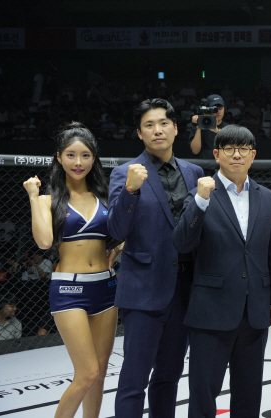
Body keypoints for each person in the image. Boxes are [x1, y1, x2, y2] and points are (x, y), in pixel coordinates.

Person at [172, 124, 271, 418]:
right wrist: (200, 201)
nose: (237, 155)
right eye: (229, 149)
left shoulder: (268, 197)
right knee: (203, 392)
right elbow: (182, 242)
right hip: (211, 311)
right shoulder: (200, 193)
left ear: (252, 155)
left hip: (255, 310)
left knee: (249, 393)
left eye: (243, 149)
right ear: (216, 154)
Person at [108, 98, 204, 418]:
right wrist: (131, 192)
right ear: (139, 133)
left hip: (185, 289)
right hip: (144, 290)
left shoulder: (194, 173)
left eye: (163, 123)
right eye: (149, 125)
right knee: (133, 381)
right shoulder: (125, 173)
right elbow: (117, 231)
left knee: (169, 378)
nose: (157, 129)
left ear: (176, 129)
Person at [23, 123, 119, 417]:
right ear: (59, 157)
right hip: (69, 289)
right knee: (87, 373)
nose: (78, 163)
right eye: (71, 155)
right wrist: (32, 195)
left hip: (107, 287)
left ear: (94, 158)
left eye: (85, 155)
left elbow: (123, 229)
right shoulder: (47, 199)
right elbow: (43, 242)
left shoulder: (105, 195)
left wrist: (119, 247)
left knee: (100, 374)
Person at [189, 94, 230, 159]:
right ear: (208, 109)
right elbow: (195, 151)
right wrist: (199, 126)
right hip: (204, 165)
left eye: (221, 108)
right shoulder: (198, 127)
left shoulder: (229, 128)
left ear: (224, 109)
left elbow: (233, 148)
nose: (218, 111)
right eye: (215, 109)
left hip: (222, 165)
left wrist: (218, 131)